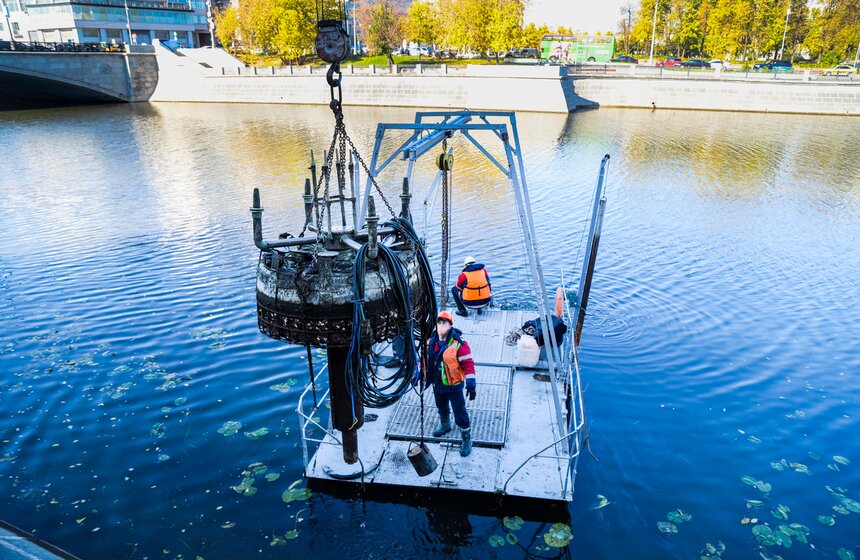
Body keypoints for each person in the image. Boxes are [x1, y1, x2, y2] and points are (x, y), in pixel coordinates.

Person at [424, 311, 476, 457]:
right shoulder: (430, 341)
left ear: (450, 325)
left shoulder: (459, 344)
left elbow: (468, 363)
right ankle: (445, 425)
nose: (441, 326)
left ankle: (466, 439)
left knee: (459, 412)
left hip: (453, 386)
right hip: (437, 384)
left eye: (444, 323)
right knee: (441, 406)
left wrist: (471, 383)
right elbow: (424, 360)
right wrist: (419, 374)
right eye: (439, 323)